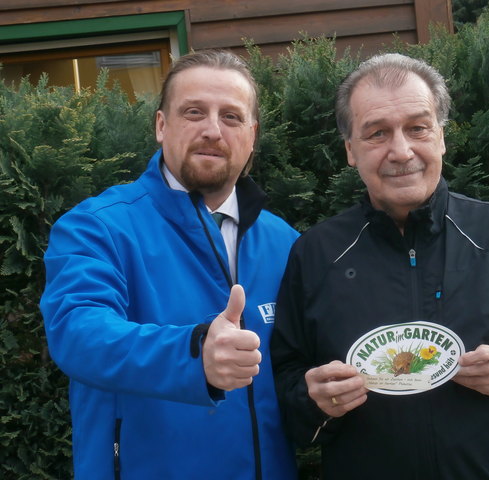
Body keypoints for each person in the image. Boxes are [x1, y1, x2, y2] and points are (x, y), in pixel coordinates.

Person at [271, 53, 489, 479]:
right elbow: (284, 377)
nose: (401, 150)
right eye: (377, 133)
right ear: (351, 150)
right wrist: (311, 398)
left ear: (441, 137)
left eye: (417, 128)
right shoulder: (316, 254)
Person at [40, 50, 299, 480]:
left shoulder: (285, 241)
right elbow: (77, 331)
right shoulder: (96, 227)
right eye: (194, 112)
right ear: (162, 126)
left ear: (252, 136)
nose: (212, 130)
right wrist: (194, 354)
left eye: (231, 117)